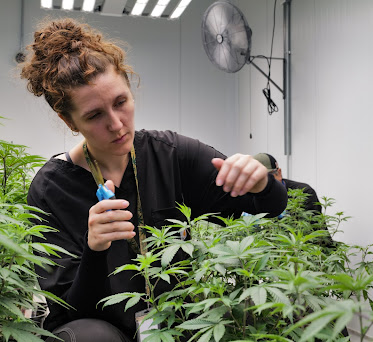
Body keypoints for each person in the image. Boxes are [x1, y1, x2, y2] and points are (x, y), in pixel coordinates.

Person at [21, 18, 287, 342]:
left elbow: (269, 208)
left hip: (176, 325)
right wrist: (95, 249)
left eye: (121, 102)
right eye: (95, 115)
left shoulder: (171, 154)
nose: (117, 124)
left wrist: (261, 182)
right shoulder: (51, 190)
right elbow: (70, 314)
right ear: (69, 120)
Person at [253, 153, 322, 213]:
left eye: (266, 177)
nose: (262, 183)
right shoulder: (249, 195)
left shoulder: (304, 192)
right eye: (256, 178)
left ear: (279, 173)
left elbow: (314, 225)